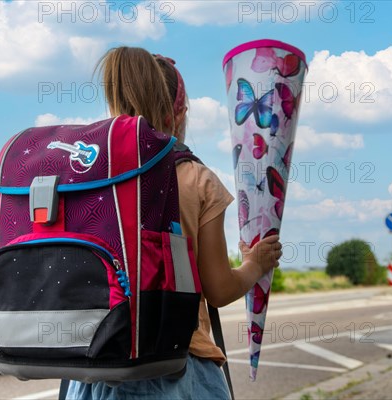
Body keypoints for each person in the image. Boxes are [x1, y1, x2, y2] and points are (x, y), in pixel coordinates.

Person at [66, 46, 282, 400]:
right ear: (177, 113)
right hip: (173, 368)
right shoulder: (196, 179)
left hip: (94, 370)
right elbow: (219, 289)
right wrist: (255, 264)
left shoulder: (87, 176)